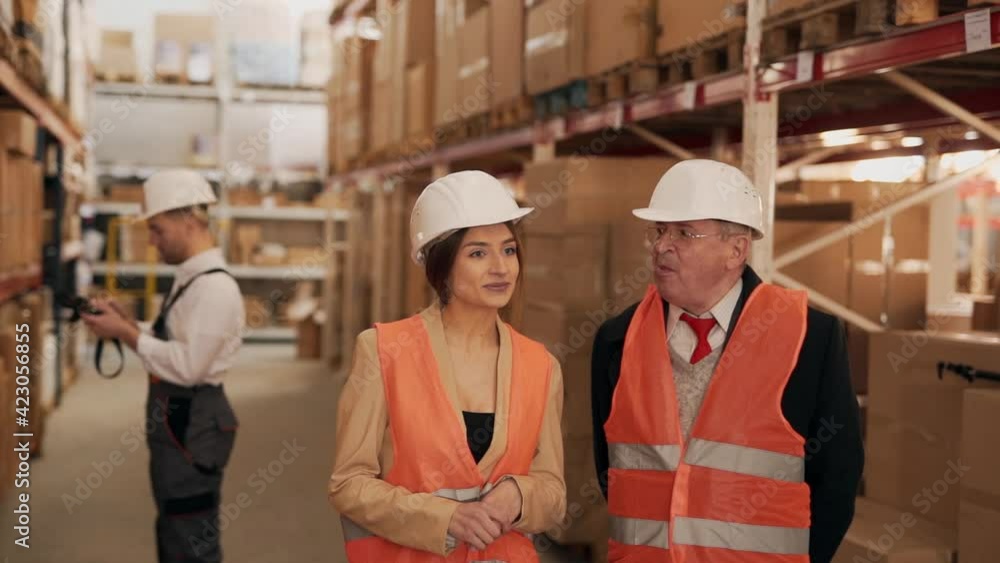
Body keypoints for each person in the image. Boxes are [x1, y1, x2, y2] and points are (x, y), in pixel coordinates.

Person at [590, 160, 864, 563]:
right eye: (660, 230)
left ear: (736, 249)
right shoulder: (616, 340)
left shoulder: (810, 337)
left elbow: (837, 480)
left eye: (684, 232)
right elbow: (610, 472)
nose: (662, 245)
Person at [329, 171, 566, 562]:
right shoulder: (384, 351)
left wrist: (520, 495)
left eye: (508, 250)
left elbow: (554, 495)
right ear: (441, 265)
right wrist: (445, 517)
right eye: (477, 253)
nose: (500, 268)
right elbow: (348, 484)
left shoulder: (540, 365)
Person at [81, 169, 244, 563]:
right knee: (174, 524)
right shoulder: (192, 279)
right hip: (178, 419)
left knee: (191, 535)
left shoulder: (214, 288)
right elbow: (176, 341)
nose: (152, 242)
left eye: (157, 230)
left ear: (188, 222)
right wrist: (126, 321)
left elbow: (188, 366)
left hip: (194, 423)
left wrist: (126, 334)